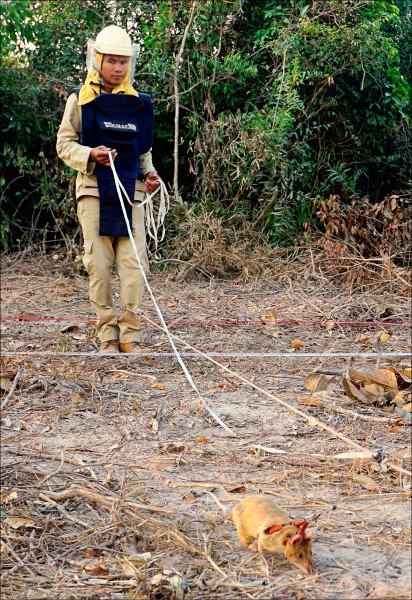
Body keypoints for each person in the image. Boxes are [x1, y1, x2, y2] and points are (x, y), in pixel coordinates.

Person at [57, 25, 160, 354]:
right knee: (99, 265)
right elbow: (64, 143)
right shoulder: (82, 100)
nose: (118, 68)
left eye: (123, 62)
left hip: (131, 193)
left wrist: (151, 173)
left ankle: (131, 336)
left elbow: (143, 152)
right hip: (93, 191)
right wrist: (91, 155)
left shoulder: (138, 104)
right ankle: (107, 335)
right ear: (97, 60)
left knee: (133, 266)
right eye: (112, 61)